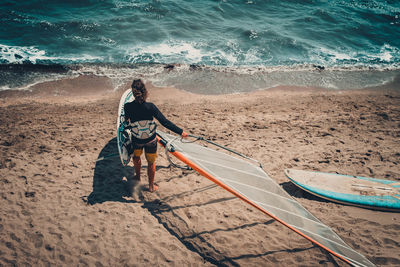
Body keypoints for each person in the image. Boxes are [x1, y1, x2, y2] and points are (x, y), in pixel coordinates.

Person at [124, 79, 188, 192]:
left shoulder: (128, 107)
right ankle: (151, 186)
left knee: (136, 157)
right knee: (151, 162)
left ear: (133, 93)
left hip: (137, 139)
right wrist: (180, 131)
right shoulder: (151, 107)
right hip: (150, 140)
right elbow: (165, 122)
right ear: (145, 92)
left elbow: (127, 121)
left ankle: (138, 177)